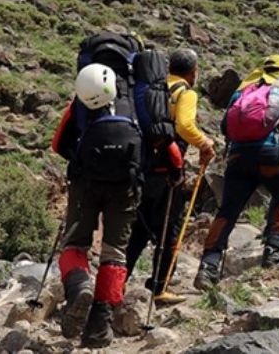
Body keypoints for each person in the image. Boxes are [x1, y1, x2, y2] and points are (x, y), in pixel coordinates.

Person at [51, 33, 174, 348]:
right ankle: (99, 327)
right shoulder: (140, 98)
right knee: (114, 252)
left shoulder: (85, 95)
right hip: (127, 183)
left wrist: (81, 163)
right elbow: (164, 143)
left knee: (75, 243)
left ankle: (79, 286)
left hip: (86, 182)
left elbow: (58, 143)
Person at [194, 55, 279, 290]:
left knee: (228, 210)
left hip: (238, 157)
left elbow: (226, 126)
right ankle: (274, 253)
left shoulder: (243, 90)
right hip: (270, 156)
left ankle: (208, 266)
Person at [124, 49, 215, 305]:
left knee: (139, 230)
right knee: (170, 228)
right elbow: (185, 126)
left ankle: (119, 281)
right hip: (169, 169)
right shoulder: (185, 93)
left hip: (145, 168)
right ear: (192, 71)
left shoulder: (154, 90)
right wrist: (205, 144)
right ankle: (160, 286)